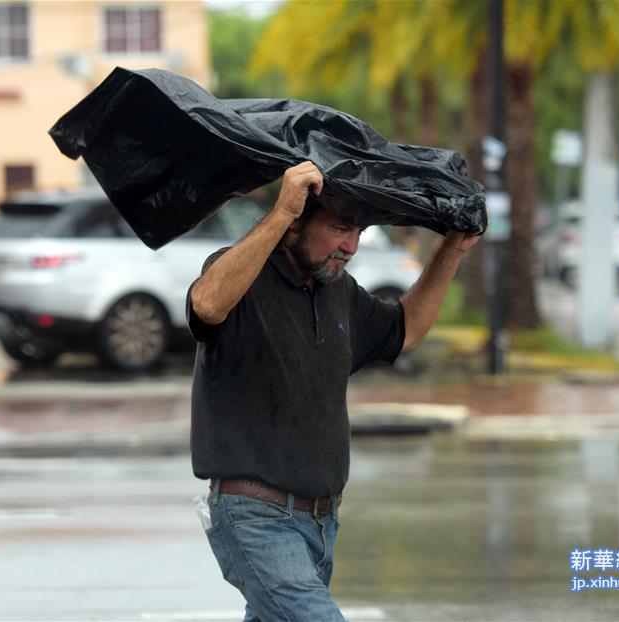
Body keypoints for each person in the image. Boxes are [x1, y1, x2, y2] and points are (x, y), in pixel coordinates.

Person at [187, 161, 480, 621]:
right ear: (295, 225)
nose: (351, 246)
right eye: (340, 229)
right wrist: (282, 208)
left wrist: (453, 250)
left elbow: (405, 329)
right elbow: (205, 303)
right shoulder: (243, 277)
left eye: (358, 233)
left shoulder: (339, 292)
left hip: (320, 524)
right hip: (255, 519)